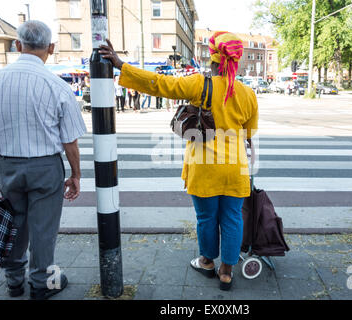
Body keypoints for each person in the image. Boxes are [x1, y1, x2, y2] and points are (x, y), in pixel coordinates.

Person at [99, 31, 258, 291]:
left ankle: (207, 261)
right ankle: (227, 271)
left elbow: (160, 84)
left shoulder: (199, 84)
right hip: (236, 168)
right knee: (232, 218)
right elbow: (249, 135)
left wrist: (121, 65)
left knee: (206, 218)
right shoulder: (248, 94)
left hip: (204, 167)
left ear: (214, 60)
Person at [0, 20, 86, 300]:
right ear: (50, 48)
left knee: (13, 223)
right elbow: (70, 142)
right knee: (44, 228)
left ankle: (14, 281)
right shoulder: (57, 86)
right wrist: (75, 175)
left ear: (18, 45)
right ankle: (42, 284)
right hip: (45, 167)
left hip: (8, 165)